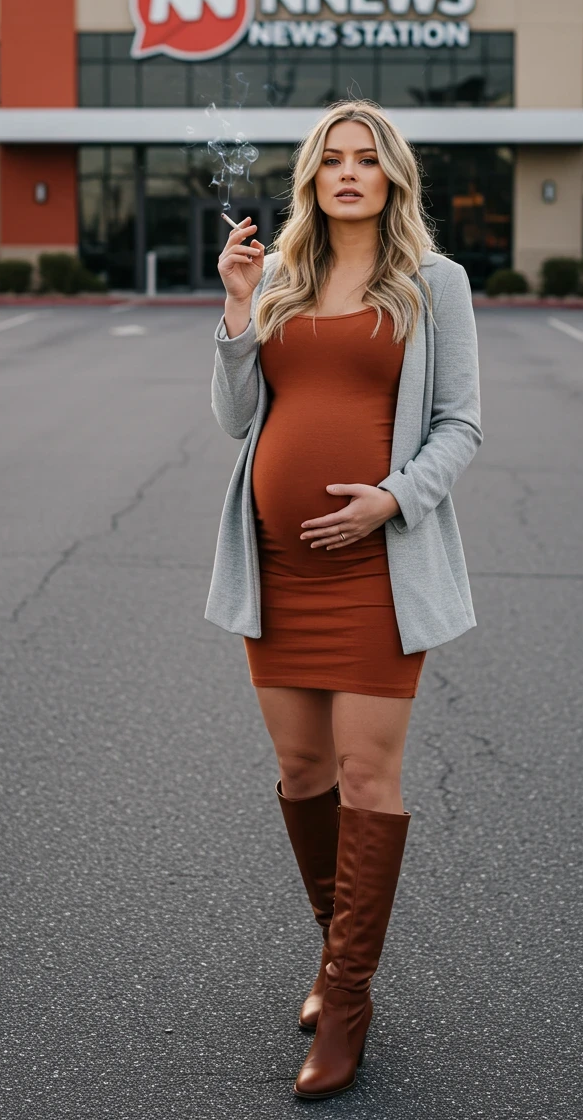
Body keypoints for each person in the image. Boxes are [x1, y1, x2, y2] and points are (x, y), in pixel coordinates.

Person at [206, 100, 482, 1099]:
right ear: (312, 178)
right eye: (334, 159)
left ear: (393, 175)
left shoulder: (432, 283)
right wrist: (238, 309)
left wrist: (390, 499)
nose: (350, 172)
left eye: (368, 158)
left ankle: (348, 997)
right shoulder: (277, 277)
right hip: (277, 570)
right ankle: (335, 956)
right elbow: (237, 417)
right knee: (298, 768)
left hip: (377, 571)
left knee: (369, 779)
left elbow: (459, 425)